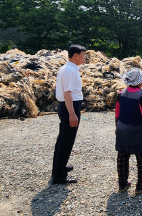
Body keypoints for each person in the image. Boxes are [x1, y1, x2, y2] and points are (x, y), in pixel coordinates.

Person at [115, 68, 142, 194]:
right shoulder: (141, 95)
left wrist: (117, 128)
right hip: (136, 131)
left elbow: (117, 113)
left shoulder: (121, 94)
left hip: (121, 129)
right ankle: (140, 186)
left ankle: (122, 184)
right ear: (139, 82)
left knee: (122, 157)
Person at [51, 44, 86, 184]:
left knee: (63, 139)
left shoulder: (68, 69)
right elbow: (68, 93)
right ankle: (59, 176)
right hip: (69, 107)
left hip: (67, 106)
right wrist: (72, 113)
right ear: (75, 55)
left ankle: (59, 168)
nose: (84, 58)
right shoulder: (70, 71)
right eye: (83, 55)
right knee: (66, 141)